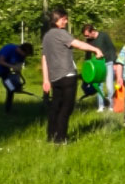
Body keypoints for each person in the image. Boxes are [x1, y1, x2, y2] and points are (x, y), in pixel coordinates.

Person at [41, 8, 103, 144]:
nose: (66, 21)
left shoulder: (47, 36)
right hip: (67, 75)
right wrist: (95, 49)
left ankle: (51, 136)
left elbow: (44, 59)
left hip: (54, 77)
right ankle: (61, 139)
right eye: (64, 19)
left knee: (55, 107)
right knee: (66, 108)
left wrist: (46, 79)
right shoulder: (60, 33)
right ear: (58, 20)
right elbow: (78, 44)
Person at [0, 42, 34, 116]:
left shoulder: (22, 56)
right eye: (26, 54)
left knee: (10, 89)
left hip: (5, 72)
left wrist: (17, 82)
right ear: (22, 50)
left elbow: (18, 67)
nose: (25, 56)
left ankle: (8, 111)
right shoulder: (9, 48)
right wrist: (12, 66)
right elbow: (0, 61)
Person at [81, 24, 116, 112]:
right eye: (85, 36)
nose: (86, 37)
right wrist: (87, 67)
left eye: (87, 35)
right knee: (98, 85)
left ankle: (111, 105)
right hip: (97, 65)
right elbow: (87, 54)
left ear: (92, 31)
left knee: (109, 86)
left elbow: (112, 49)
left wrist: (115, 62)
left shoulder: (104, 36)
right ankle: (101, 106)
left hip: (108, 63)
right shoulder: (89, 41)